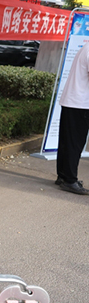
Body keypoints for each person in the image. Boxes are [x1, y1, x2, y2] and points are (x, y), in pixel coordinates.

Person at [56, 41, 89, 195]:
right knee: (74, 143)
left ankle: (63, 176)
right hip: (80, 104)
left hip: (72, 101)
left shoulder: (87, 47)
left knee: (66, 141)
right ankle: (70, 180)